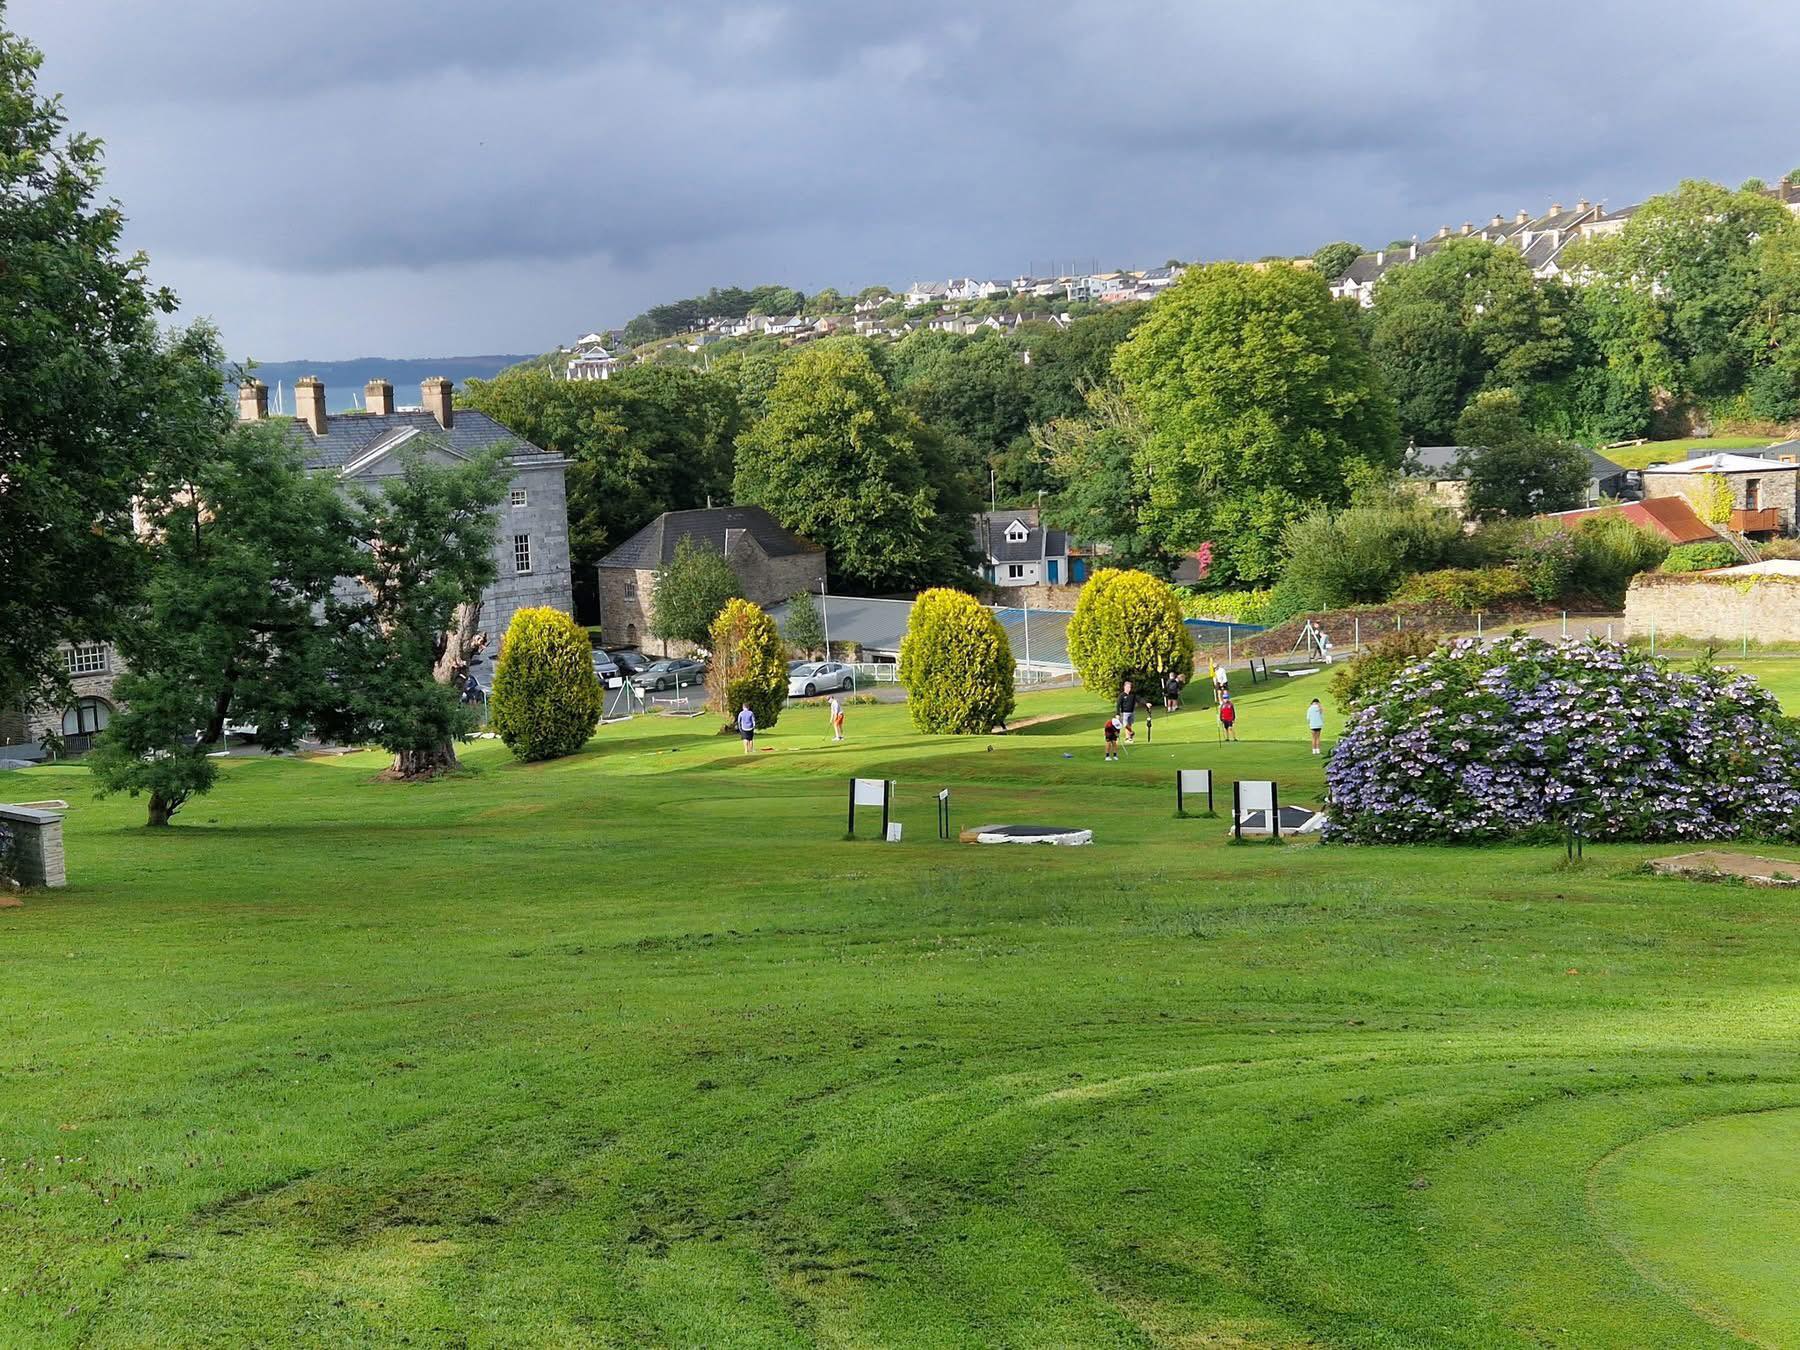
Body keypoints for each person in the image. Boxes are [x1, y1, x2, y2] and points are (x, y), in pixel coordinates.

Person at [1116, 679, 1136, 744]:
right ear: (1124, 687)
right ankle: (1131, 732)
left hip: (1131, 712)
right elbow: (1118, 705)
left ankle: (1128, 738)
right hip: (1124, 713)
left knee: (1129, 725)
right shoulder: (1122, 695)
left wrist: (1146, 703)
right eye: (1127, 687)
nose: (1129, 688)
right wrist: (1118, 714)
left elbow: (1139, 699)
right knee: (1125, 725)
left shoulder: (1132, 694)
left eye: (1130, 687)